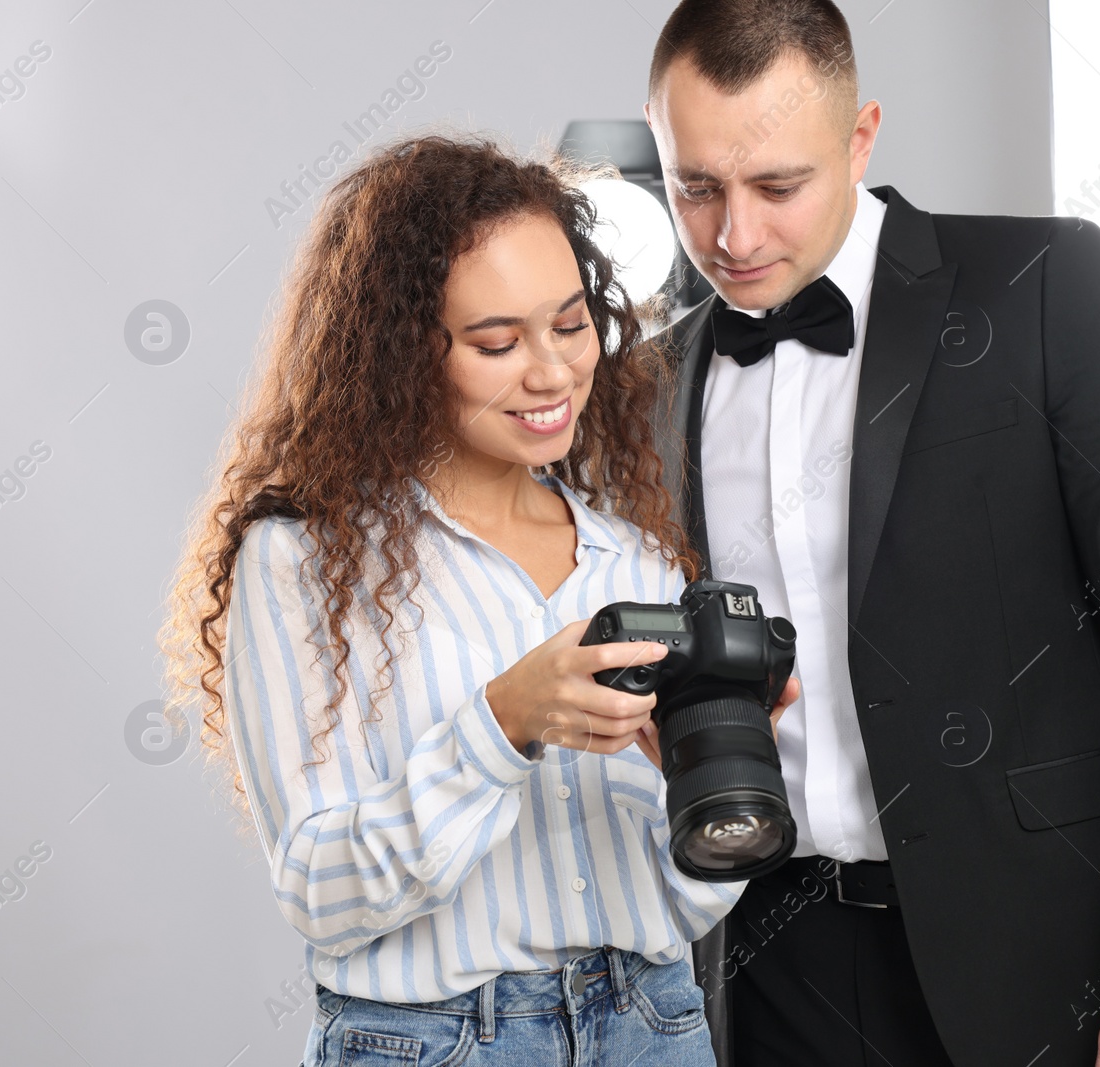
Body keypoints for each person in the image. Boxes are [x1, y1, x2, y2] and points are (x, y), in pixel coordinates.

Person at [640, 2, 1100, 1065]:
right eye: (694, 187)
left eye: (776, 186)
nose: (732, 236)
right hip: (757, 968)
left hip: (1040, 959)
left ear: (860, 136)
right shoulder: (647, 379)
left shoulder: (1045, 285)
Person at [158, 132, 796, 1067]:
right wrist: (500, 725)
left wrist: (710, 784)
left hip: (654, 1024)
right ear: (405, 353)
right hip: (436, 1042)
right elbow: (320, 890)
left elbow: (681, 903)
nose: (550, 372)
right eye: (496, 341)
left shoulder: (637, 560)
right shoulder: (307, 562)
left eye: (571, 324)